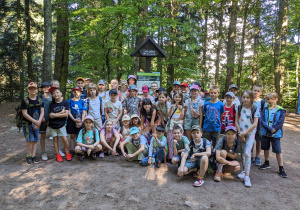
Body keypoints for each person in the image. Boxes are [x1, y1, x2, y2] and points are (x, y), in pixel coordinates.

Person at [259, 92, 287, 178]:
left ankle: (281, 168)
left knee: (278, 150)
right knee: (265, 148)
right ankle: (266, 162)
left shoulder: (281, 110)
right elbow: (262, 119)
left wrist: (274, 129)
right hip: (265, 132)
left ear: (276, 99)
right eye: (268, 99)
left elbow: (280, 121)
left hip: (276, 134)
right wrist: (269, 129)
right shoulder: (265, 109)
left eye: (271, 99)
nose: (269, 101)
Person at [235, 90, 259, 187]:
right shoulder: (239, 107)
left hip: (250, 133)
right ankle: (244, 170)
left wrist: (245, 133)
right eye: (244, 97)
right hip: (241, 133)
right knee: (242, 153)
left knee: (247, 153)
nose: (245, 99)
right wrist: (240, 133)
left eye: (248, 97)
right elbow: (236, 121)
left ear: (251, 99)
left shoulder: (255, 108)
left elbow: (255, 124)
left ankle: (247, 176)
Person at [21, 82, 44, 164]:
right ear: (28, 90)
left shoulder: (40, 100)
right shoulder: (25, 100)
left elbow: (42, 112)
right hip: (27, 123)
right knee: (29, 140)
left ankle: (34, 155)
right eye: (30, 88)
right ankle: (29, 155)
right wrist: (35, 122)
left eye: (34, 88)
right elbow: (24, 113)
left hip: (37, 123)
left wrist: (39, 122)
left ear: (37, 90)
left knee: (35, 140)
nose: (33, 90)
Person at [49, 86, 72, 162]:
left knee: (64, 139)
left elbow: (66, 114)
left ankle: (68, 153)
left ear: (61, 93)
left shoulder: (65, 102)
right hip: (53, 125)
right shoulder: (51, 104)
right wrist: (60, 112)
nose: (56, 94)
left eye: (57, 92)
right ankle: (58, 154)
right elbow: (50, 116)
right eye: (53, 93)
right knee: (55, 140)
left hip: (61, 125)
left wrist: (55, 114)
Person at [67, 86, 88, 155]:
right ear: (73, 92)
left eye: (78, 91)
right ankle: (71, 149)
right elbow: (68, 111)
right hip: (72, 120)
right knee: (72, 136)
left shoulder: (83, 101)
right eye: (75, 91)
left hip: (80, 121)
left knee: (79, 135)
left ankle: (79, 149)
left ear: (80, 92)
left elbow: (84, 112)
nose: (76, 93)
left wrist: (82, 121)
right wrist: (73, 119)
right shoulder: (70, 101)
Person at [167, 91, 185, 159]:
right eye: (176, 97)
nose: (177, 98)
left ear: (181, 98)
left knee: (179, 138)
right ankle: (171, 156)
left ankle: (179, 155)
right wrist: (171, 108)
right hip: (172, 123)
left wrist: (181, 110)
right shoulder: (170, 104)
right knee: (171, 139)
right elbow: (168, 115)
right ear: (173, 97)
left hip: (179, 123)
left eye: (179, 97)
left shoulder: (182, 105)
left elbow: (181, 117)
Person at [252, 85, 267, 166]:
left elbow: (265, 114)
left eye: (258, 91)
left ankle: (257, 156)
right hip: (250, 124)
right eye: (254, 90)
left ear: (261, 93)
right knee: (250, 140)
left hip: (259, 125)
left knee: (258, 141)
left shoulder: (262, 102)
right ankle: (250, 156)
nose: (256, 92)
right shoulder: (249, 100)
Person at [39, 82, 52, 161]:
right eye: (44, 87)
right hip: (43, 119)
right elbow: (38, 108)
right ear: (42, 89)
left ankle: (57, 151)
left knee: (55, 136)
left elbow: (54, 107)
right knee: (43, 135)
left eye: (48, 87)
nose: (46, 88)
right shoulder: (40, 98)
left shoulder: (53, 97)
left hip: (51, 119)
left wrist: (50, 119)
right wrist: (42, 118)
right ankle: (43, 151)